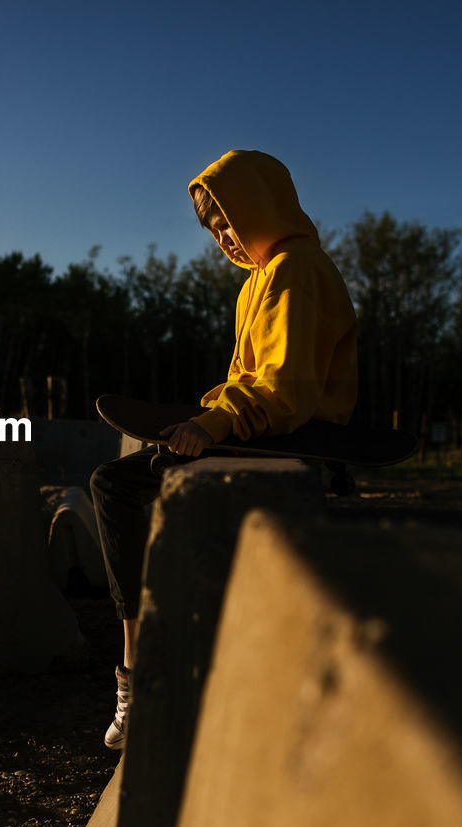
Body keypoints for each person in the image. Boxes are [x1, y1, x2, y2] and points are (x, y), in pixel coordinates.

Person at [89, 149, 358, 750]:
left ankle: (142, 676)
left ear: (262, 207)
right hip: (256, 428)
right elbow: (246, 377)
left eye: (229, 221)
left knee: (118, 485)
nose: (224, 238)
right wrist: (206, 413)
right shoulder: (259, 282)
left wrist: (216, 424)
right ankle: (144, 670)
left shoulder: (299, 269)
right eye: (214, 230)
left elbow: (285, 389)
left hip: (288, 438)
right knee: (122, 479)